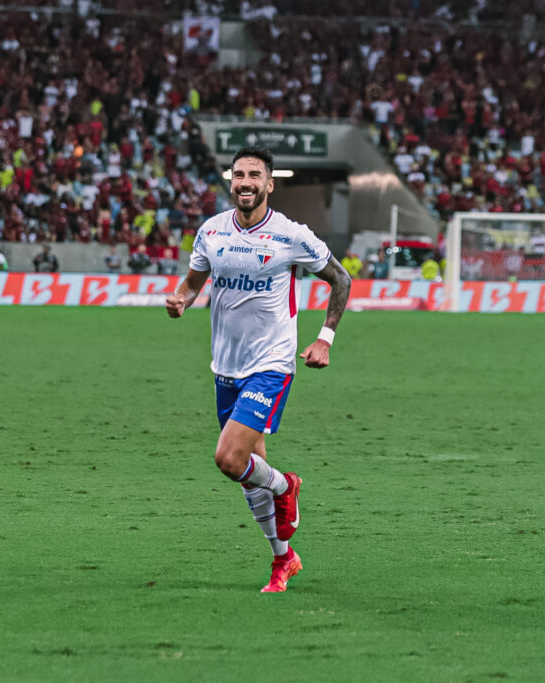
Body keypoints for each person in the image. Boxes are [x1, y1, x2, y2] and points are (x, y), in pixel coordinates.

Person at [166, 147, 351, 593]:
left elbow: (341, 279)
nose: (245, 182)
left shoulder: (291, 234)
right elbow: (193, 283)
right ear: (232, 182)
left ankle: (288, 486)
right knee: (250, 474)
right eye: (239, 175)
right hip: (225, 367)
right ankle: (282, 560)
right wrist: (180, 300)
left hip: (271, 364)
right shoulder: (211, 231)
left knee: (229, 459)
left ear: (270, 184)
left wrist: (324, 339)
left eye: (255, 176)